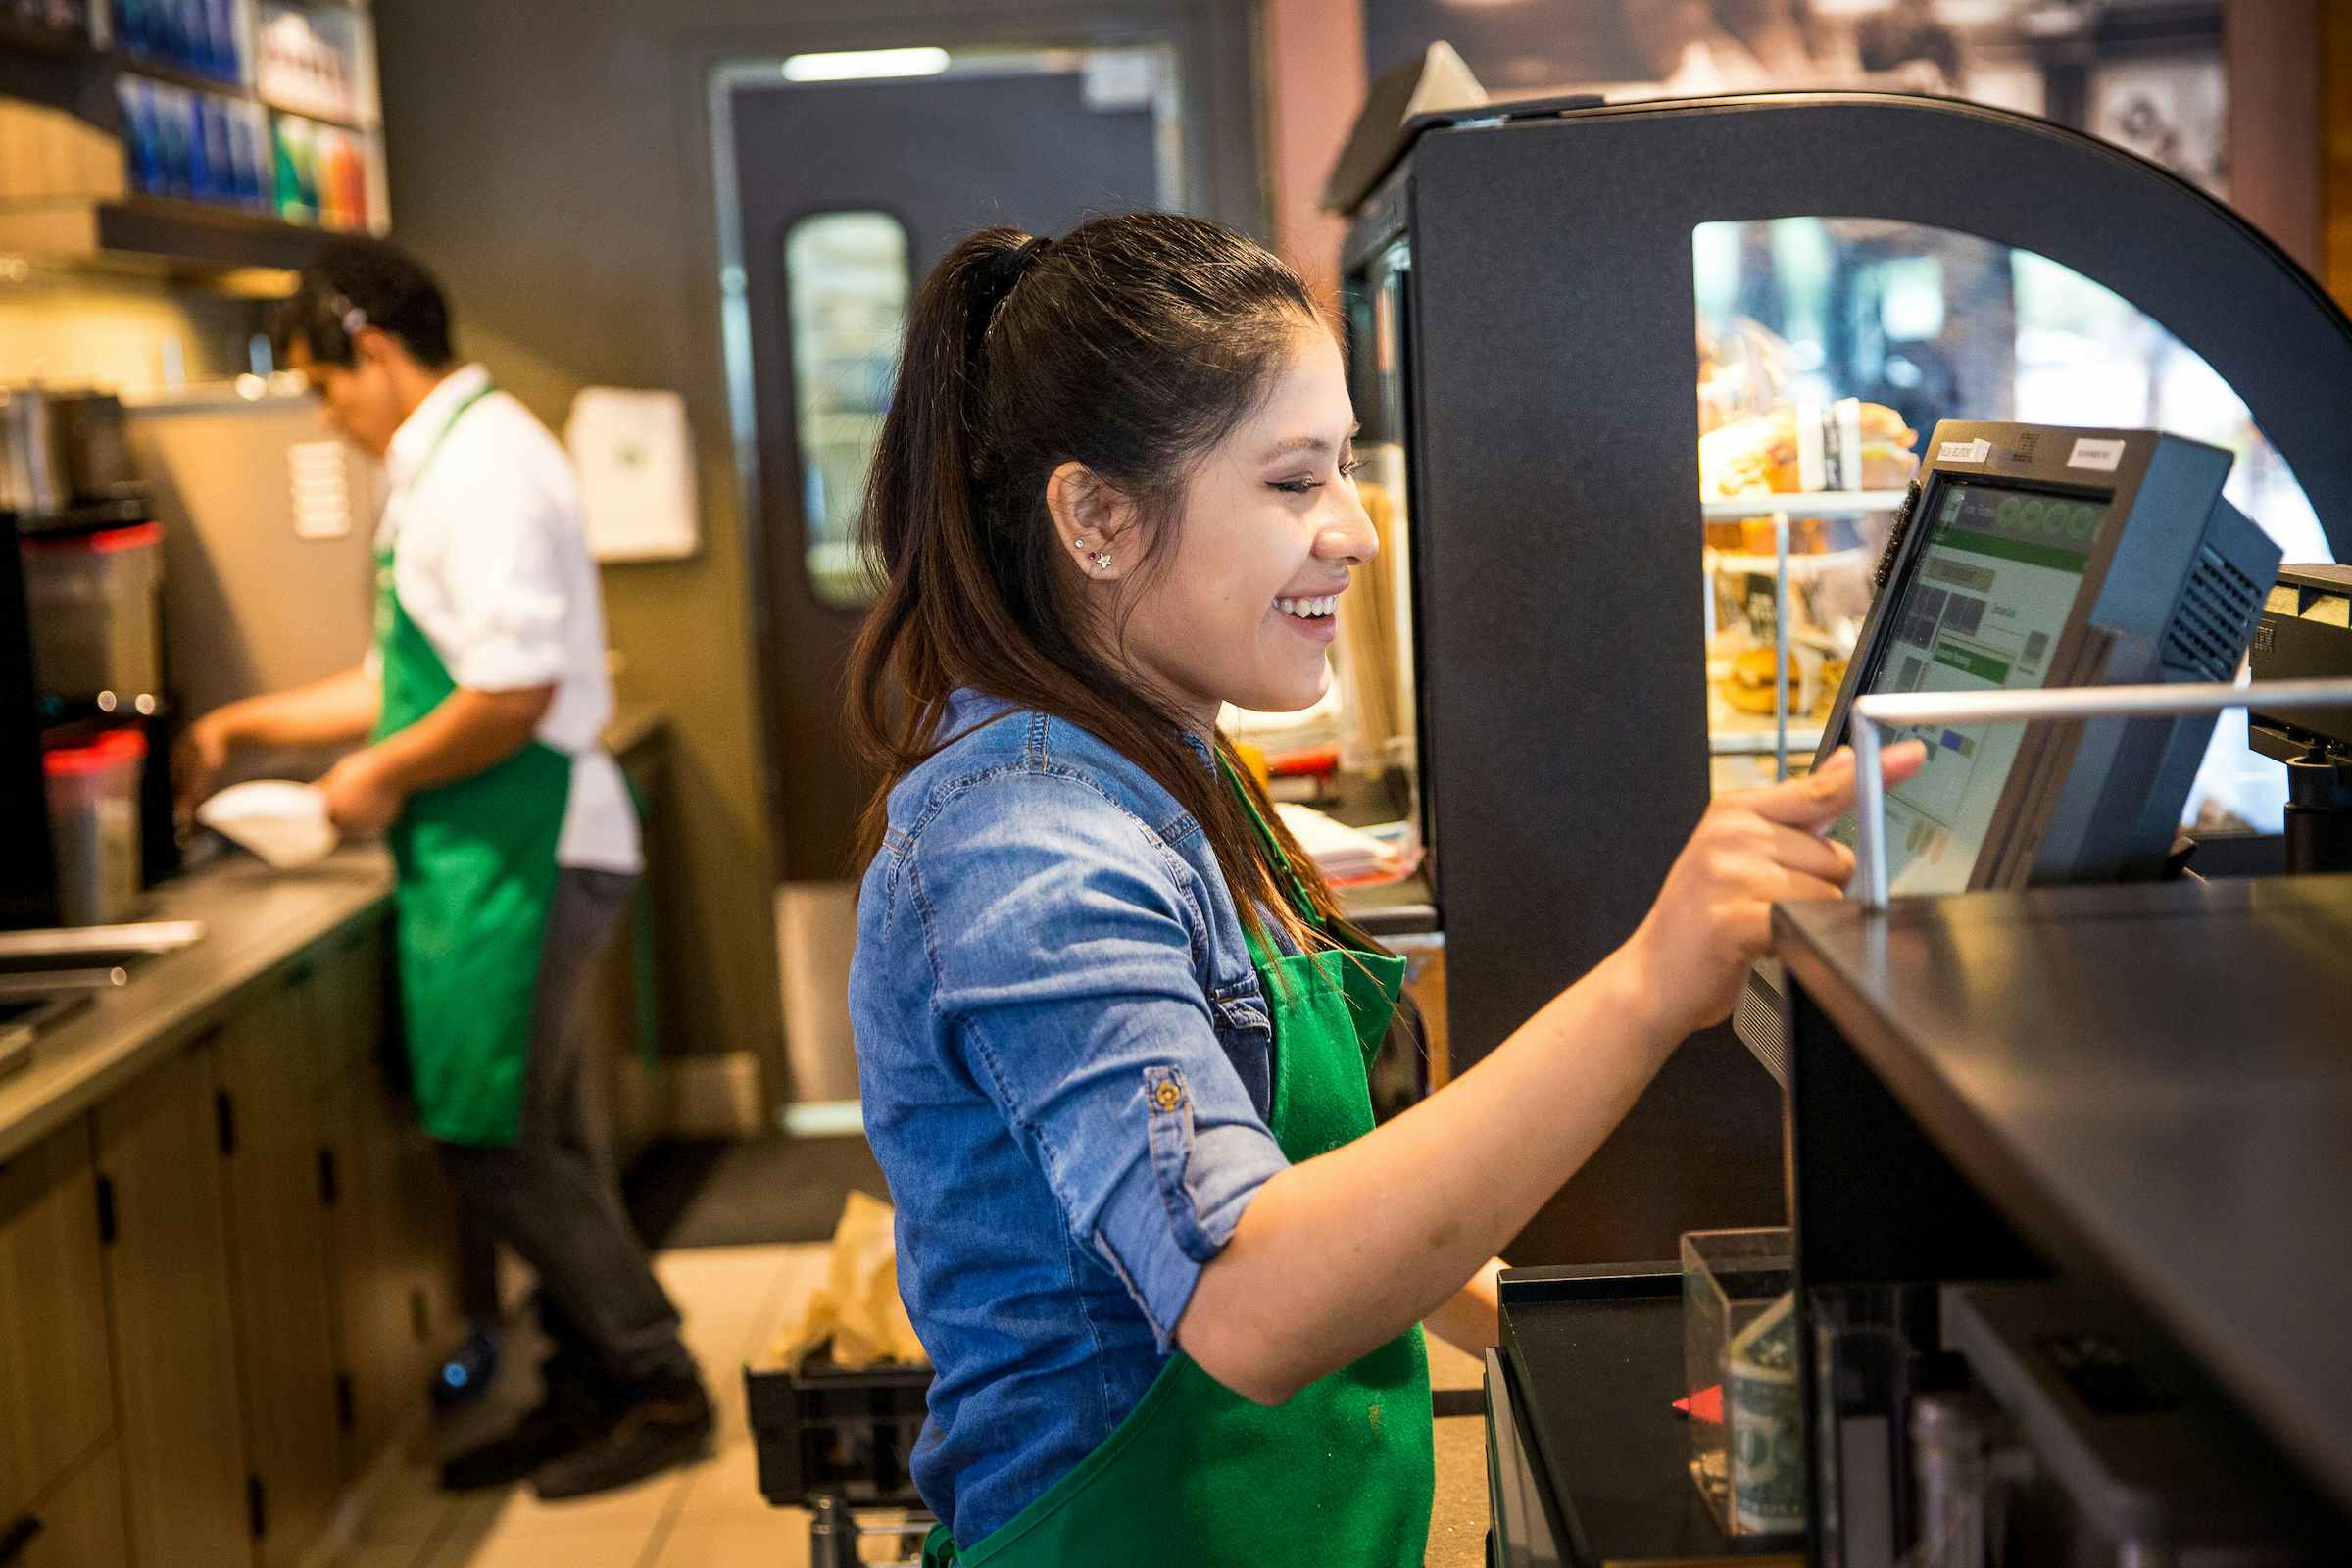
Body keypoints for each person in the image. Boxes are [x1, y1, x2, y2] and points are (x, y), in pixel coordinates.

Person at [845, 212, 1925, 1566]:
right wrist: (1651, 985)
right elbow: (1251, 1298)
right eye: (1295, 482)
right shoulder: (1026, 847)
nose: (1354, 531)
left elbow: (1286, 1162)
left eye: (1345, 466)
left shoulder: (1169, 757)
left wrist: (1533, 1322)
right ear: (1098, 518)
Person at [175, 239, 713, 1499]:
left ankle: (653, 1380)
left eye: (322, 385)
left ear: (372, 350)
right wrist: (243, 725)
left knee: (499, 1144)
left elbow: (510, 691)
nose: (327, 416)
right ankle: (589, 1383)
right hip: (487, 848)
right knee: (534, 1138)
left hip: (520, 849)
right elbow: (404, 679)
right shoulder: (446, 465)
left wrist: (370, 780)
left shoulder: (482, 466)